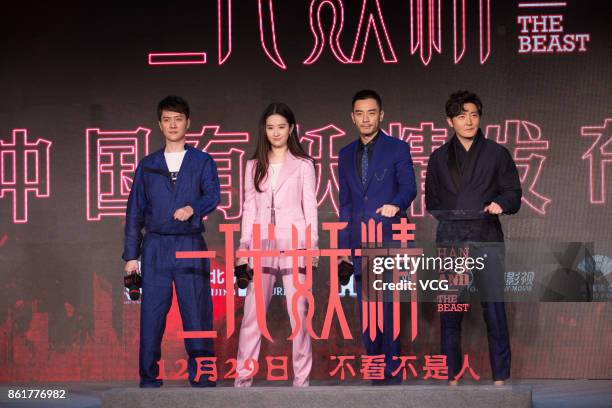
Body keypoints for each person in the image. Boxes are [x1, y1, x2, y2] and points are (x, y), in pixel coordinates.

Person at [425, 90, 522, 386]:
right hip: (453, 242)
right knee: (450, 310)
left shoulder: (497, 153)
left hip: (487, 238)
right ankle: (451, 374)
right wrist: (457, 217)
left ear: (480, 117)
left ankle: (501, 375)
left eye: (473, 114)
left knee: (493, 308)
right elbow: (432, 202)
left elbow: (513, 194)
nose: (468, 121)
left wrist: (500, 204)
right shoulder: (439, 157)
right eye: (461, 116)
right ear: (450, 121)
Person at [123, 96, 221, 388]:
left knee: (197, 312)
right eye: (167, 119)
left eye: (178, 119)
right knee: (152, 314)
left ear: (188, 123)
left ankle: (203, 377)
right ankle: (149, 378)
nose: (173, 124)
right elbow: (135, 211)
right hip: (155, 247)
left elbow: (212, 195)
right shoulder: (148, 165)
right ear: (159, 124)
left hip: (190, 244)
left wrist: (194, 208)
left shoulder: (202, 161)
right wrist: (131, 256)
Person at [234, 102, 318, 387]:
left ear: (291, 128)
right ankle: (242, 379)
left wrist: (312, 248)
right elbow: (249, 209)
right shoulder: (253, 165)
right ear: (264, 130)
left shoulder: (304, 165)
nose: (276, 132)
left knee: (300, 314)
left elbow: (310, 209)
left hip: (295, 244)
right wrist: (243, 249)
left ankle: (302, 381)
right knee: (252, 315)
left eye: (281, 127)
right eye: (270, 128)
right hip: (261, 245)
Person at [337, 89, 417, 385]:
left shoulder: (397, 148)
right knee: (368, 312)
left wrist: (396, 204)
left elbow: (409, 187)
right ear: (352, 117)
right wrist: (344, 248)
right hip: (358, 241)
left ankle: (392, 375)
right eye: (360, 113)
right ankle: (375, 376)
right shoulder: (345, 154)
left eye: (372, 112)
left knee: (389, 310)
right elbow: (345, 203)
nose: (366, 118)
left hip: (389, 238)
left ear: (381, 115)